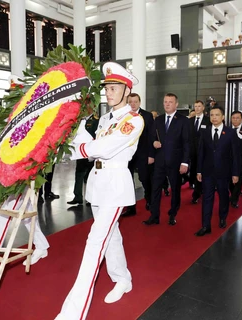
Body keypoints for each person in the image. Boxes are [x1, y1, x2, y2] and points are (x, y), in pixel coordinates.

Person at [55, 62, 143, 320]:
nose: (109, 92)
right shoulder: (105, 119)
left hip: (116, 186)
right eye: (107, 87)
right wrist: (77, 123)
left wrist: (76, 151)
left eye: (115, 87)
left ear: (127, 91)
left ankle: (73, 312)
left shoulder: (133, 121)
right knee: (112, 237)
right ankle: (123, 279)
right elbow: (90, 144)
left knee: (95, 242)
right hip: (98, 184)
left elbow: (103, 148)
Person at [143, 93, 190, 226]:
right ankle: (154, 215)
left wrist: (185, 162)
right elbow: (152, 138)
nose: (167, 104)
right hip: (160, 161)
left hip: (176, 162)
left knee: (175, 189)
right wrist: (154, 144)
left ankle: (172, 214)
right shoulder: (157, 120)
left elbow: (187, 142)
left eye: (170, 102)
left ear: (176, 104)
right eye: (165, 102)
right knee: (155, 188)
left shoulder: (183, 120)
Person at [195, 106, 239, 236]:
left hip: (224, 172)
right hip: (207, 171)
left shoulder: (230, 133)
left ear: (223, 117)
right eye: (212, 115)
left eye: (217, 115)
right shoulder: (205, 132)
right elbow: (201, 152)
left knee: (223, 196)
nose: (214, 117)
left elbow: (235, 155)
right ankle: (205, 225)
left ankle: (222, 218)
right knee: (207, 198)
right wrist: (198, 171)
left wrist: (235, 173)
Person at [124, 93, 154, 216]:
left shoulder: (147, 116)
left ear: (139, 102)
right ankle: (131, 207)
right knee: (128, 180)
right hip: (127, 155)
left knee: (145, 179)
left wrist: (151, 155)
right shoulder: (124, 116)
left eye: (135, 102)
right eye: (130, 102)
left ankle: (150, 200)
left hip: (143, 153)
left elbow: (152, 136)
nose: (133, 104)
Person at [67, 108, 99, 206]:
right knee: (79, 174)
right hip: (80, 151)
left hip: (91, 152)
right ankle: (77, 197)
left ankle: (91, 198)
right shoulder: (80, 119)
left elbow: (97, 135)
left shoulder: (96, 120)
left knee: (91, 176)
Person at [188, 100, 210, 204]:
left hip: (205, 152)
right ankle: (196, 190)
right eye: (195, 106)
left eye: (199, 106)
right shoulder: (190, 120)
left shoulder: (208, 120)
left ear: (203, 108)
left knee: (202, 171)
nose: (197, 108)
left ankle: (198, 192)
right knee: (193, 171)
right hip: (192, 151)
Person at [228, 111, 242, 209]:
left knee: (238, 180)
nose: (235, 120)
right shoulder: (227, 130)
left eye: (237, 118)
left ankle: (235, 199)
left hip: (241, 160)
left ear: (241, 119)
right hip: (228, 160)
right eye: (233, 118)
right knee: (229, 180)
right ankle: (232, 194)